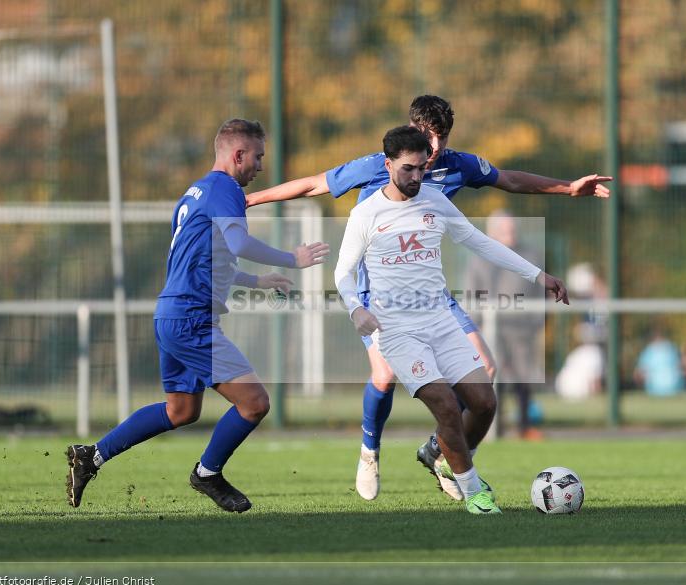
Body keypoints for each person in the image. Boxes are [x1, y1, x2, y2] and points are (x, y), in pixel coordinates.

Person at [248, 95, 609, 501]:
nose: (435, 150)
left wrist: (568, 189)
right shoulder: (378, 165)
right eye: (428, 139)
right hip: (378, 291)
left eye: (442, 139)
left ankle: (444, 456)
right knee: (383, 375)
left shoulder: (457, 164)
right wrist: (250, 199)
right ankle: (370, 451)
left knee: (484, 370)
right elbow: (315, 183)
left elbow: (508, 180)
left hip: (430, 291)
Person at [65, 119, 329, 512]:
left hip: (172, 312)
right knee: (254, 402)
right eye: (257, 157)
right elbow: (237, 242)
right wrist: (293, 258)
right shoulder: (225, 189)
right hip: (191, 317)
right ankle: (207, 474)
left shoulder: (195, 192)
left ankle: (92, 457)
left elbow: (207, 258)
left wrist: (257, 281)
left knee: (181, 410)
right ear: (237, 155)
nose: (260, 166)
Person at [334, 126, 570, 514]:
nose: (416, 177)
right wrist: (355, 308)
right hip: (397, 330)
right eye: (407, 169)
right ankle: (475, 493)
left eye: (421, 168)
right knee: (445, 406)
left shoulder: (433, 200)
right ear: (388, 164)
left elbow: (481, 242)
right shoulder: (366, 213)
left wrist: (539, 276)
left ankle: (446, 460)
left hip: (441, 322)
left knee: (484, 403)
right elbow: (342, 272)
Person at [464, 210, 545, 440]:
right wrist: (475, 331)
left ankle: (525, 427)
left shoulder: (531, 256)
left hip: (521, 330)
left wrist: (536, 322)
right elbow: (471, 297)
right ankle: (493, 427)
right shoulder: (479, 260)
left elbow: (541, 293)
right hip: (490, 332)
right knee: (492, 379)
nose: (510, 234)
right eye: (504, 230)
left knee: (524, 379)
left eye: (512, 229)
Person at [634, 329, 684, 397]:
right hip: (670, 389)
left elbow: (640, 371)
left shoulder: (649, 351)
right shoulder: (671, 348)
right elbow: (680, 366)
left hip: (659, 390)